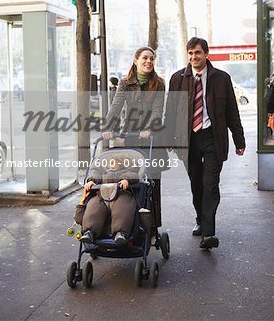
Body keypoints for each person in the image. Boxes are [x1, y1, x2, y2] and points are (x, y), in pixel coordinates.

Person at [165, 37, 245, 250]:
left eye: (197, 53)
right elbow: (171, 111)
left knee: (210, 184)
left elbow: (231, 112)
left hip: (212, 137)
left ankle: (209, 232)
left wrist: (239, 140)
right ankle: (201, 219)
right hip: (188, 139)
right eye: (190, 53)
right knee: (196, 183)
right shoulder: (177, 79)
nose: (193, 57)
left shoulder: (221, 78)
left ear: (206, 54)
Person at [102, 46, 167, 228]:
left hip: (151, 139)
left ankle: (152, 227)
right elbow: (116, 107)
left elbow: (157, 110)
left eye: (151, 59)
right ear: (135, 60)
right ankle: (127, 225)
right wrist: (108, 128)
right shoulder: (125, 83)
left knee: (152, 184)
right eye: (145, 58)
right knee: (129, 181)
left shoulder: (159, 83)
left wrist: (149, 129)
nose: (148, 61)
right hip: (131, 138)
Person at [80, 156, 140, 245]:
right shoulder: (103, 173)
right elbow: (95, 173)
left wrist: (126, 180)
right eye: (109, 163)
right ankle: (90, 232)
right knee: (94, 207)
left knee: (122, 210)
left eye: (113, 162)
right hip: (101, 195)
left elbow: (134, 175)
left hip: (122, 194)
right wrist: (92, 181)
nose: (110, 165)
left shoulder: (128, 172)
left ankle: (121, 232)